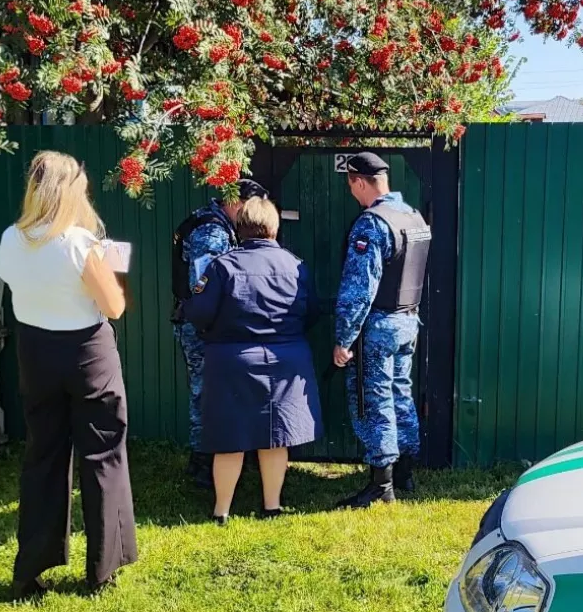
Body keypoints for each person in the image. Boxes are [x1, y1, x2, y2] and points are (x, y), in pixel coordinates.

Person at [0, 151, 138, 598]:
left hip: (36, 352)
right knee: (103, 454)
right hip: (87, 352)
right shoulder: (79, 243)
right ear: (72, 192)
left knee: (43, 457)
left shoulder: (12, 239)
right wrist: (115, 268)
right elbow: (114, 306)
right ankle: (102, 570)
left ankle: (29, 571)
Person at [182, 197, 323, 524]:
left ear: (239, 226)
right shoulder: (295, 265)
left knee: (229, 438)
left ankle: (221, 511)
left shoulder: (222, 266)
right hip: (286, 361)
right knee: (276, 434)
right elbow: (312, 311)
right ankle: (272, 506)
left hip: (231, 361)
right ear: (274, 227)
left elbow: (199, 312)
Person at [332, 152, 432, 509]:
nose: (351, 192)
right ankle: (405, 472)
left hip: (378, 326)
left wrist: (344, 339)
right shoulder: (414, 216)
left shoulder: (371, 224)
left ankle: (381, 484)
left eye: (351, 185)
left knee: (374, 400)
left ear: (359, 182)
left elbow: (360, 289)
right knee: (400, 393)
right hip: (408, 320)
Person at [171, 179, 270, 489]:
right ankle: (204, 461)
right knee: (206, 392)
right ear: (236, 202)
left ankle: (208, 458)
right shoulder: (212, 232)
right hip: (204, 327)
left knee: (210, 390)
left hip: (207, 324)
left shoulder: (214, 223)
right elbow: (205, 287)